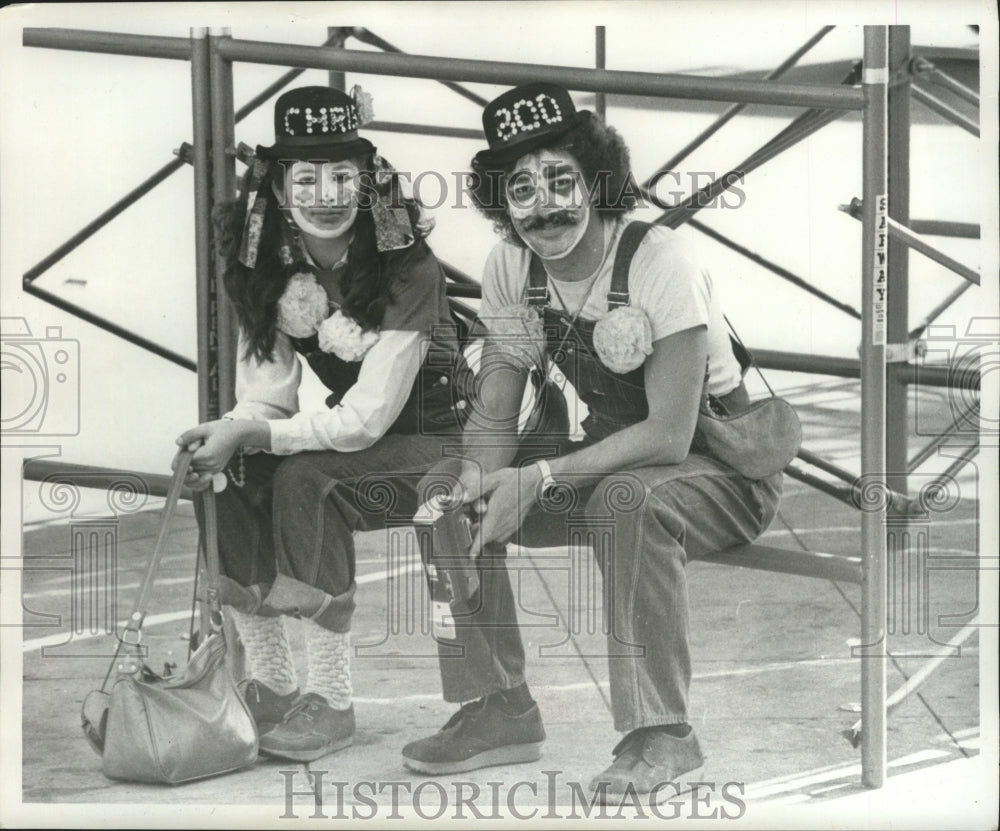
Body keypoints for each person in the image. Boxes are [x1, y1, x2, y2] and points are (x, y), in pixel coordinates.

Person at [401, 83, 782, 801]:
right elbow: (496, 412)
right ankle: (500, 705)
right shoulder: (512, 268)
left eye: (561, 180)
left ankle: (661, 731)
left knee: (627, 498)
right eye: (520, 187)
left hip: (722, 471)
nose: (543, 205)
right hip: (609, 460)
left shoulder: (658, 260)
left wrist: (538, 479)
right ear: (500, 201)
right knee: (441, 490)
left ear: (599, 180)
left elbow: (670, 435)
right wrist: (479, 483)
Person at [175, 85, 471, 763]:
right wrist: (225, 434)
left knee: (308, 478)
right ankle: (274, 683)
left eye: (344, 174)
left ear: (369, 183)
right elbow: (270, 399)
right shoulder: (269, 264)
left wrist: (256, 434)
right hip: (365, 440)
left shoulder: (408, 264)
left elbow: (365, 421)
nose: (327, 192)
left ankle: (332, 700)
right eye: (306, 177)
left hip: (447, 438)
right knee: (231, 471)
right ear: (278, 189)